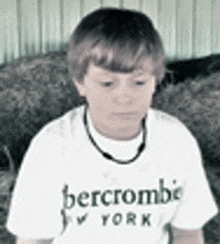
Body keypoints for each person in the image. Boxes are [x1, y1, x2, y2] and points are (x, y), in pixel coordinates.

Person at [7, 7, 218, 244]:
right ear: (80, 83)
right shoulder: (53, 147)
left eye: (138, 82)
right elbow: (34, 239)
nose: (125, 97)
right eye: (107, 83)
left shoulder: (175, 140)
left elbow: (187, 232)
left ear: (156, 81)